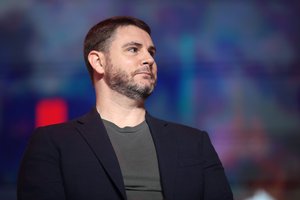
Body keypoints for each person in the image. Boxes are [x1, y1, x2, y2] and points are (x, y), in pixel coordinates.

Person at [17, 16, 233, 200]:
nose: (148, 59)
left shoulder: (194, 143)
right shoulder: (54, 143)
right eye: (133, 49)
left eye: (151, 52)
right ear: (98, 62)